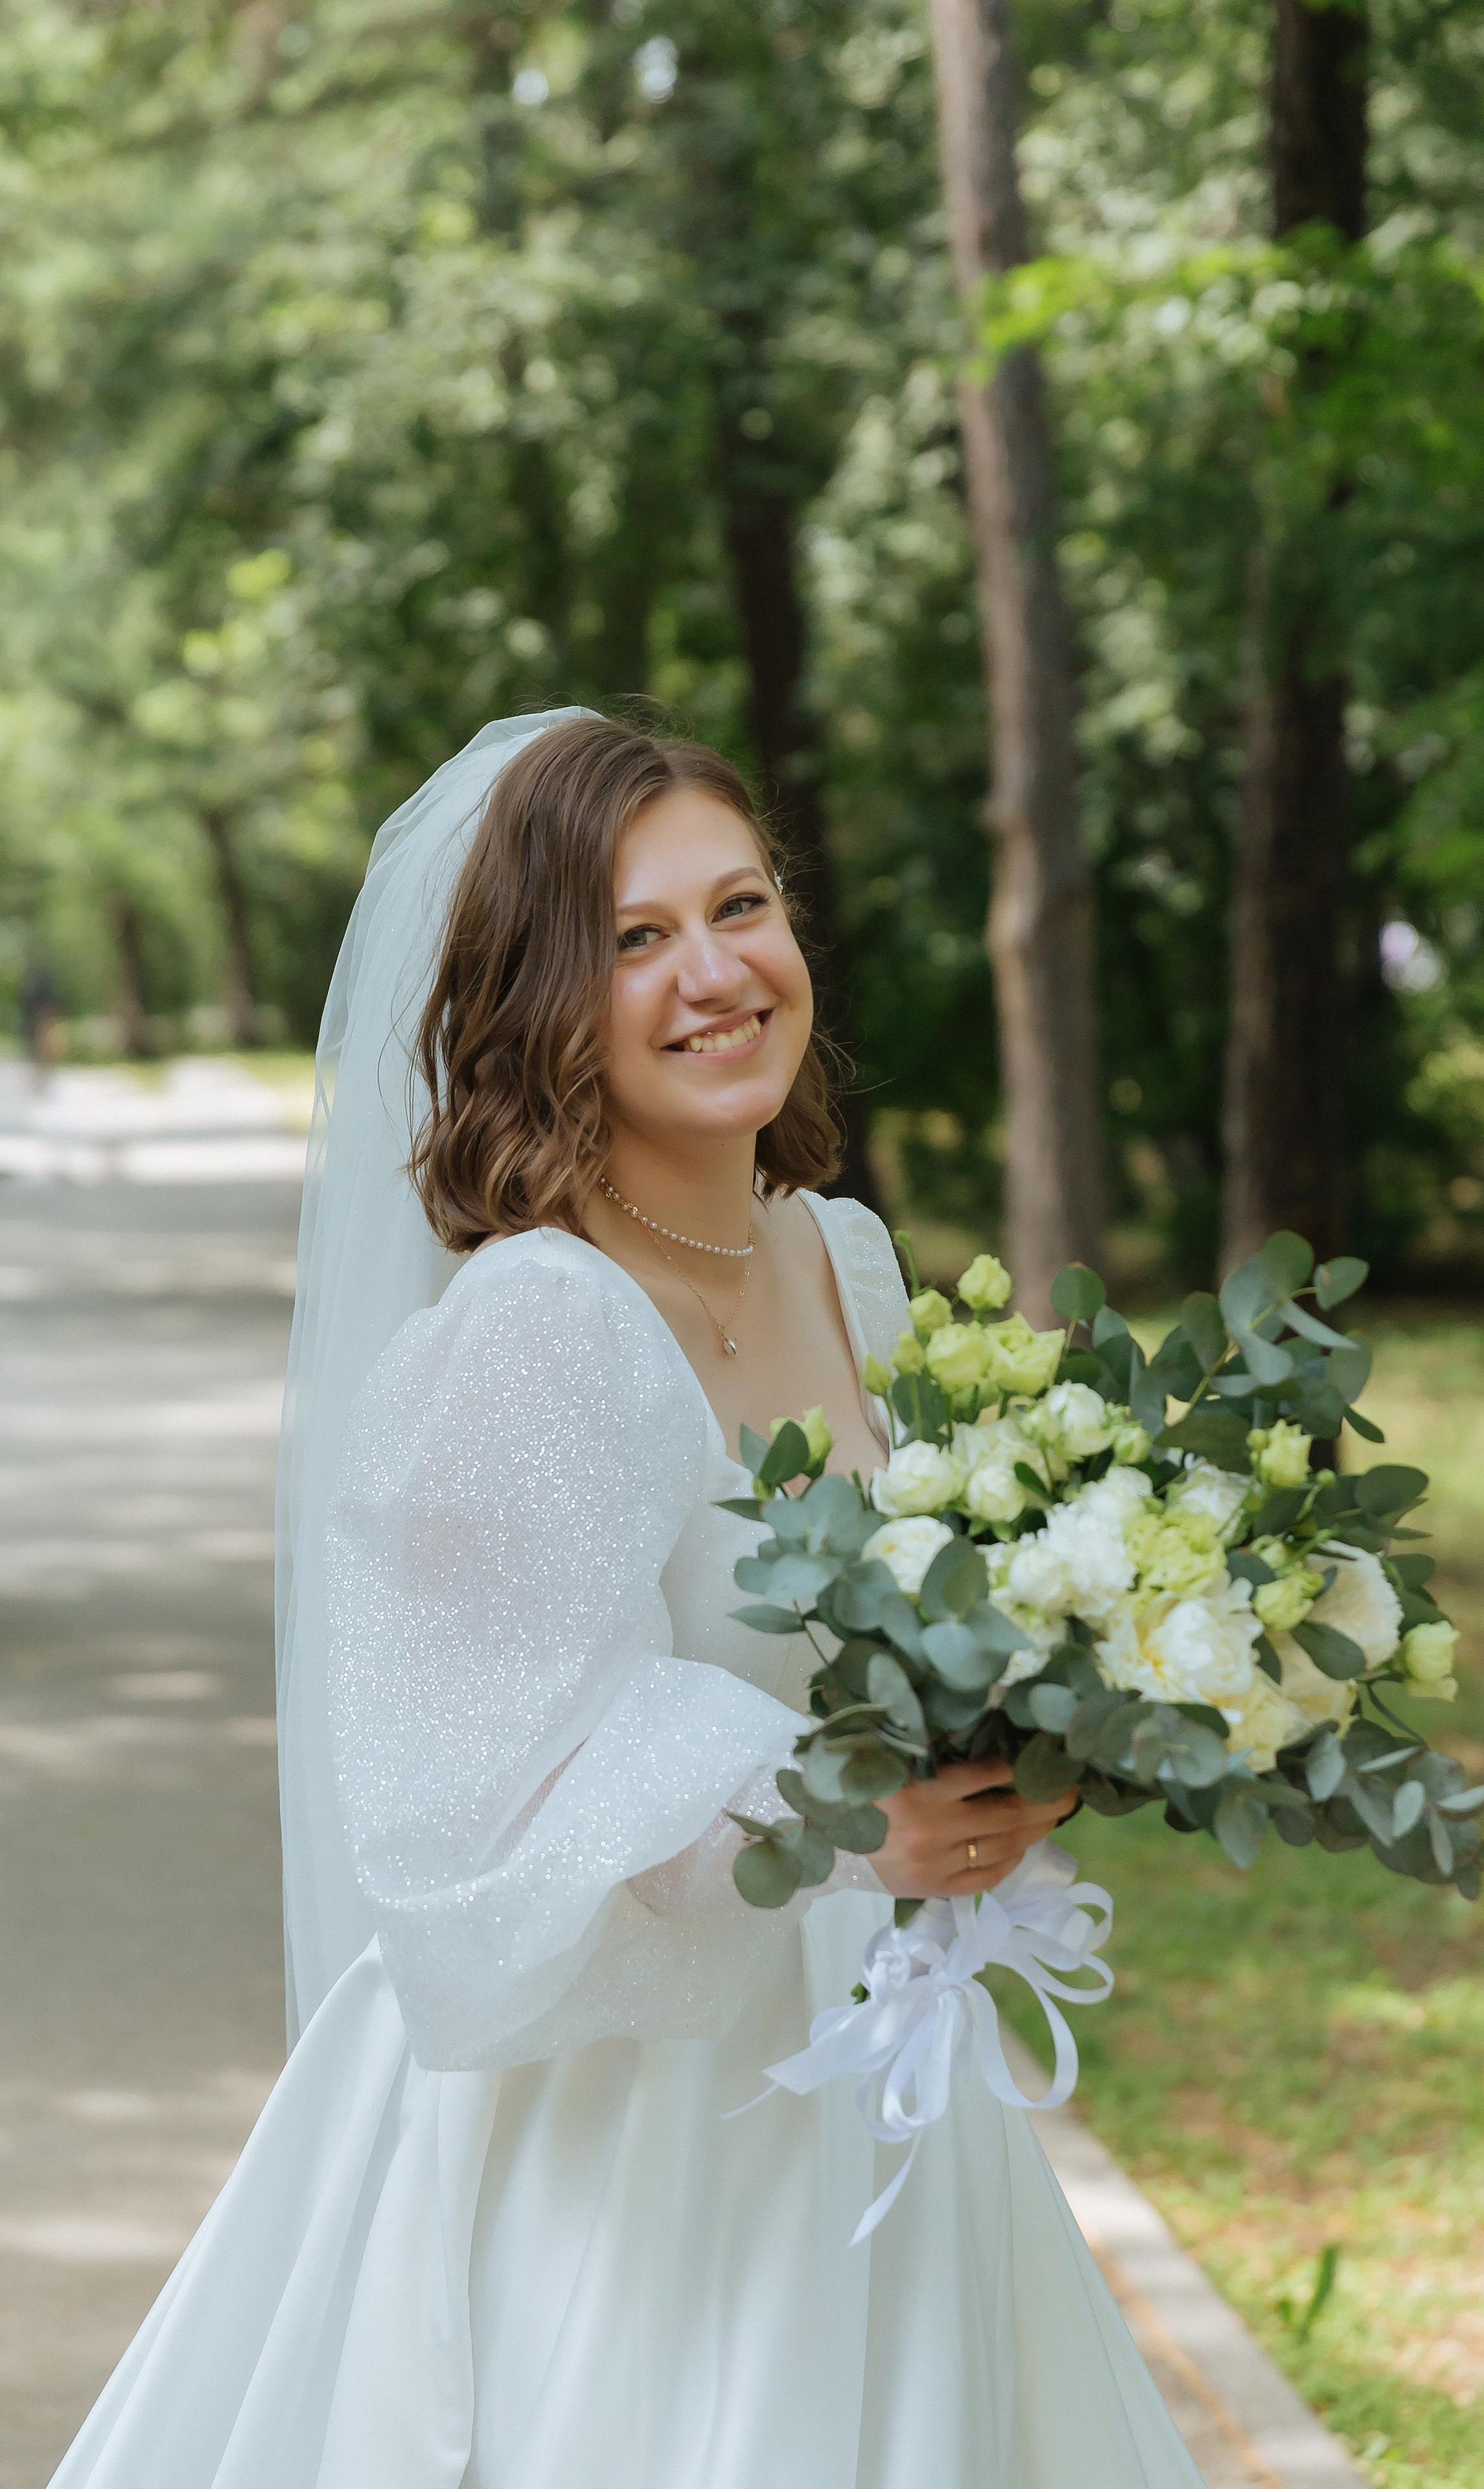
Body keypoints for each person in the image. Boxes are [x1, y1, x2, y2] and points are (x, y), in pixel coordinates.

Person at [49, 711, 1205, 2488]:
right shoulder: (534, 1332)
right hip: (625, 2120)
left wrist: (1030, 1737)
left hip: (863, 2058)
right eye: (635, 939)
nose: (714, 972)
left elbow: (907, 1630)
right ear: (540, 1005)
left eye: (740, 907)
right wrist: (847, 1822)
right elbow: (497, 1785)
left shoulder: (844, 1256)